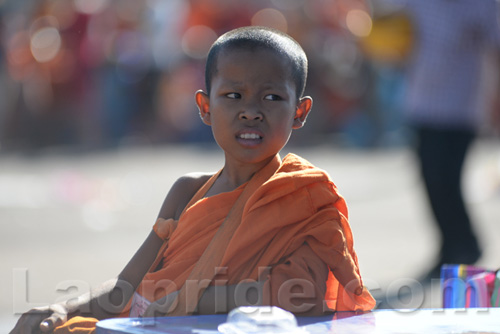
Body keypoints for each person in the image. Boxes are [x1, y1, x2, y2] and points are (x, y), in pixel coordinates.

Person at [10, 26, 375, 334]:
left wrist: (192, 299)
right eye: (233, 96)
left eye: (272, 97)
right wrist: (64, 308)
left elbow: (300, 293)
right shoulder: (186, 191)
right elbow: (126, 289)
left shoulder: (303, 195)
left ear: (300, 111)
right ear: (205, 107)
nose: (250, 111)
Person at [395, 0, 500, 280]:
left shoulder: (483, 4)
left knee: (447, 179)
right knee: (431, 178)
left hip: (462, 105)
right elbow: (389, 20)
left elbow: (495, 45)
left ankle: (465, 246)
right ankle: (451, 247)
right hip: (422, 100)